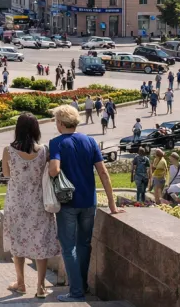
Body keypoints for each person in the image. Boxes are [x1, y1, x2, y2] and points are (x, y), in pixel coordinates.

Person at [47, 104, 120, 302]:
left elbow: (54, 169)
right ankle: (83, 286)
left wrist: (51, 171)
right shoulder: (90, 141)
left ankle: (76, 291)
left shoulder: (57, 143)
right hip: (89, 201)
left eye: (56, 121)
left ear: (61, 123)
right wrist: (112, 206)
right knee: (84, 244)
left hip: (68, 203)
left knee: (68, 246)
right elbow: (103, 173)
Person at [2, 113, 59, 299]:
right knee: (40, 242)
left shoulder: (8, 150)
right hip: (38, 202)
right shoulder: (44, 150)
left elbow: (6, 174)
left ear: (17, 129)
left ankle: (21, 283)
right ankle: (41, 286)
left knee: (18, 242)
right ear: (36, 129)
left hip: (16, 203)